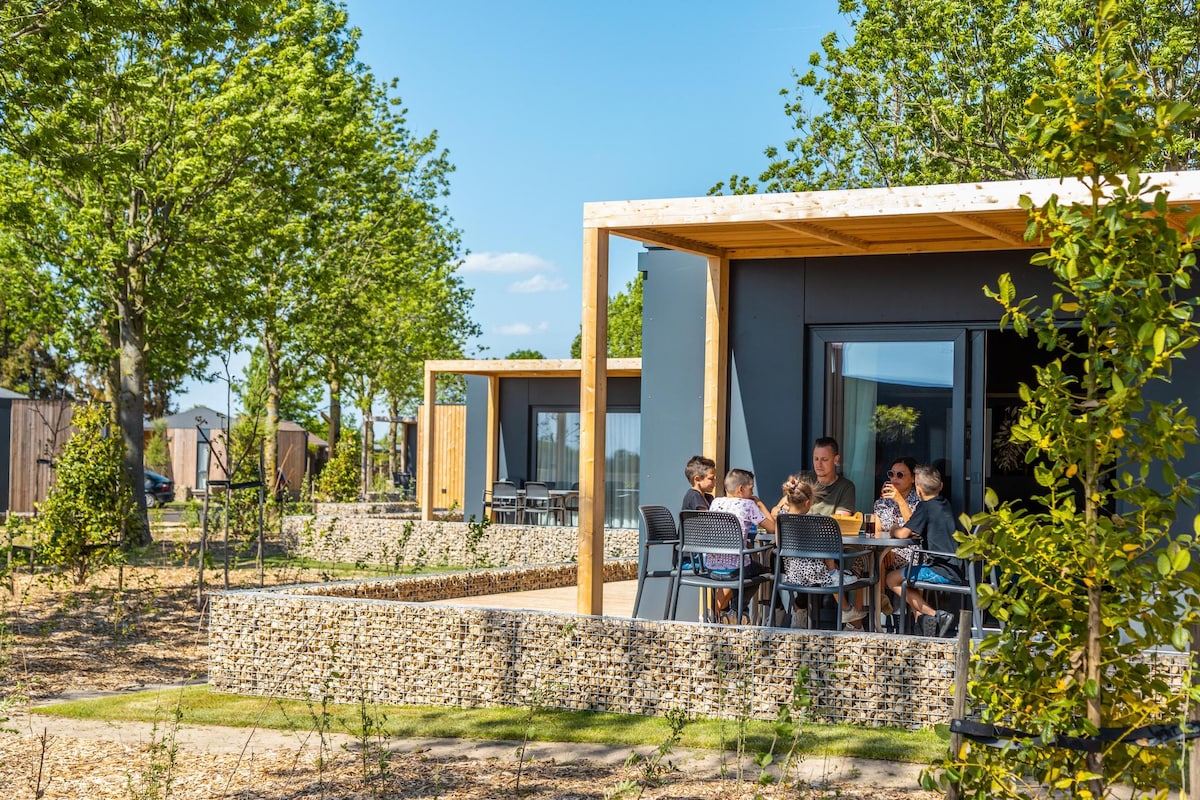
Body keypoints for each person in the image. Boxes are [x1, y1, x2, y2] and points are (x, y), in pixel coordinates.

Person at [773, 474, 866, 627]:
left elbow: (779, 544)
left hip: (792, 575)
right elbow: (826, 547)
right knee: (829, 552)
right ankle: (845, 604)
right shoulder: (815, 520)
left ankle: (845, 610)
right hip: (816, 575)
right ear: (807, 503)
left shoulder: (780, 519)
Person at [884, 465, 963, 638]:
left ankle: (936, 615)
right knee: (909, 577)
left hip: (941, 570)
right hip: (955, 567)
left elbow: (903, 534)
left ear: (918, 490)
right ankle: (922, 622)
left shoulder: (925, 507)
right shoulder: (944, 503)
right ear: (940, 486)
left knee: (892, 579)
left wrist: (894, 529)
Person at [708, 468, 775, 623]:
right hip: (736, 571)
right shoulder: (748, 505)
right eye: (751, 489)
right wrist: (759, 503)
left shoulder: (716, 502)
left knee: (743, 569)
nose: (752, 493)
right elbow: (772, 528)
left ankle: (726, 614)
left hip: (712, 569)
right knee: (761, 571)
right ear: (741, 489)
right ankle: (737, 611)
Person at [873, 456, 920, 568]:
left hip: (910, 552)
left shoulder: (919, 501)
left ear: (913, 478)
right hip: (885, 549)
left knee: (878, 559)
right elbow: (876, 531)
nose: (894, 478)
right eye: (891, 474)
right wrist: (885, 549)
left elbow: (914, 528)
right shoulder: (882, 501)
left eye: (900, 475)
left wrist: (900, 501)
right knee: (868, 554)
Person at [806, 436, 856, 516]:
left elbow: (840, 521)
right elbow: (785, 507)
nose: (819, 464)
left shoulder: (846, 487)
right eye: (816, 459)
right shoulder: (804, 480)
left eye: (824, 459)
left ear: (836, 459)